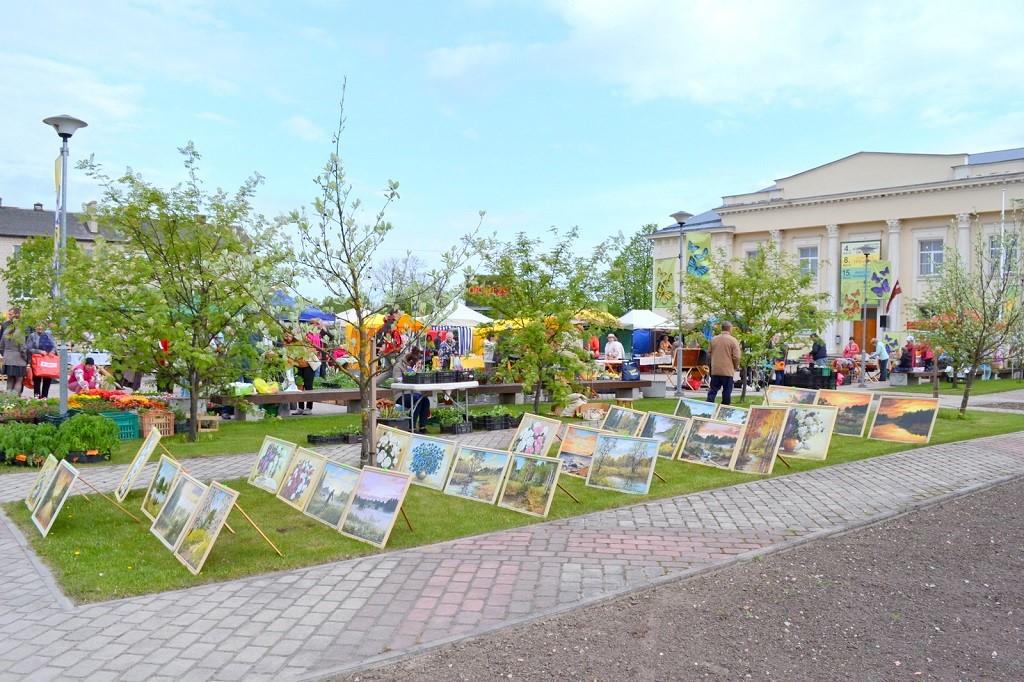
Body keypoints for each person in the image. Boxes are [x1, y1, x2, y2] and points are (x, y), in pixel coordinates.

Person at [391, 347, 429, 432]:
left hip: (415, 393)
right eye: (418, 363)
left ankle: (423, 426)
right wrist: (410, 374)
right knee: (417, 400)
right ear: (412, 362)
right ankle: (412, 427)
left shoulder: (416, 368)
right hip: (401, 395)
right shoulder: (398, 366)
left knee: (425, 400)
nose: (420, 365)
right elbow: (397, 379)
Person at [706, 320, 741, 405]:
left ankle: (708, 406)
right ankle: (724, 408)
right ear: (730, 328)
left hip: (715, 370)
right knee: (727, 392)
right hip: (727, 371)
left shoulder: (714, 340)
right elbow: (736, 357)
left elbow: (709, 354)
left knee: (713, 390)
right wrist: (736, 366)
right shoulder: (733, 340)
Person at [284, 330, 316, 415]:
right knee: (299, 387)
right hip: (297, 367)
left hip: (308, 366)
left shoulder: (304, 341)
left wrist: (304, 352)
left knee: (308, 386)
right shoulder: (287, 344)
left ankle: (309, 407)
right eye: (285, 336)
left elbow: (314, 349)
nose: (287, 338)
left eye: (288, 336)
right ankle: (300, 407)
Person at [26, 322, 57, 399]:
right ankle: (37, 397)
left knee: (48, 378)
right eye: (38, 326)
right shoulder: (32, 336)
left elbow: (54, 347)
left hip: (48, 360)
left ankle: (44, 397)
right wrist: (39, 351)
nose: (40, 327)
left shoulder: (49, 335)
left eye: (41, 326)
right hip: (37, 360)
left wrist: (52, 352)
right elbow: (29, 348)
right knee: (37, 378)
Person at [0, 321, 30, 396]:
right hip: (18, 360)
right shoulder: (20, 333)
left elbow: (1, 346)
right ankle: (15, 399)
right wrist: (26, 358)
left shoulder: (5, 332)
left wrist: (5, 353)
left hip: (7, 360)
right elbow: (23, 349)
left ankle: (8, 399)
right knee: (19, 380)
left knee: (10, 380)